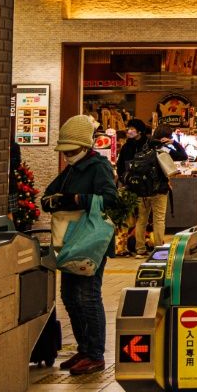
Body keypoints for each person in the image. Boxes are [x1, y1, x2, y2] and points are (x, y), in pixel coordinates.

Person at [40, 113, 117, 376]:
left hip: (91, 243)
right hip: (70, 241)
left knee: (88, 296)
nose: (67, 155)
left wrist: (76, 199)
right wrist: (54, 200)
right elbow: (49, 194)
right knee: (69, 296)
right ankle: (84, 349)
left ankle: (95, 354)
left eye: (71, 151)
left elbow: (110, 199)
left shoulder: (99, 167)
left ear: (85, 147)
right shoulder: (71, 169)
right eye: (64, 151)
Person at [122, 121, 185, 256]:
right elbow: (183, 156)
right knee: (159, 219)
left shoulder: (145, 146)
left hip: (141, 190)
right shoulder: (163, 148)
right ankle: (158, 248)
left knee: (141, 219)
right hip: (159, 190)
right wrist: (173, 143)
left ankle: (140, 249)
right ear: (167, 136)